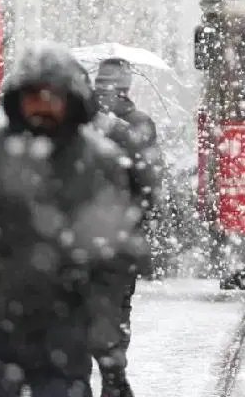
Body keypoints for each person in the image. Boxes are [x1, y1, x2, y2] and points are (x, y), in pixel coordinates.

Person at [0, 44, 142, 397]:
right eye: (33, 97)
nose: (42, 107)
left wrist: (99, 321)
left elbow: (115, 252)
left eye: (53, 97)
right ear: (18, 100)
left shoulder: (97, 162)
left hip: (65, 326)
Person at [90, 58, 160, 397]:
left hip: (119, 239)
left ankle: (113, 378)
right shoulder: (82, 125)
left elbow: (149, 182)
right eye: (98, 85)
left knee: (115, 311)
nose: (101, 92)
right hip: (83, 239)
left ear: (123, 91)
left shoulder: (137, 124)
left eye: (109, 86)